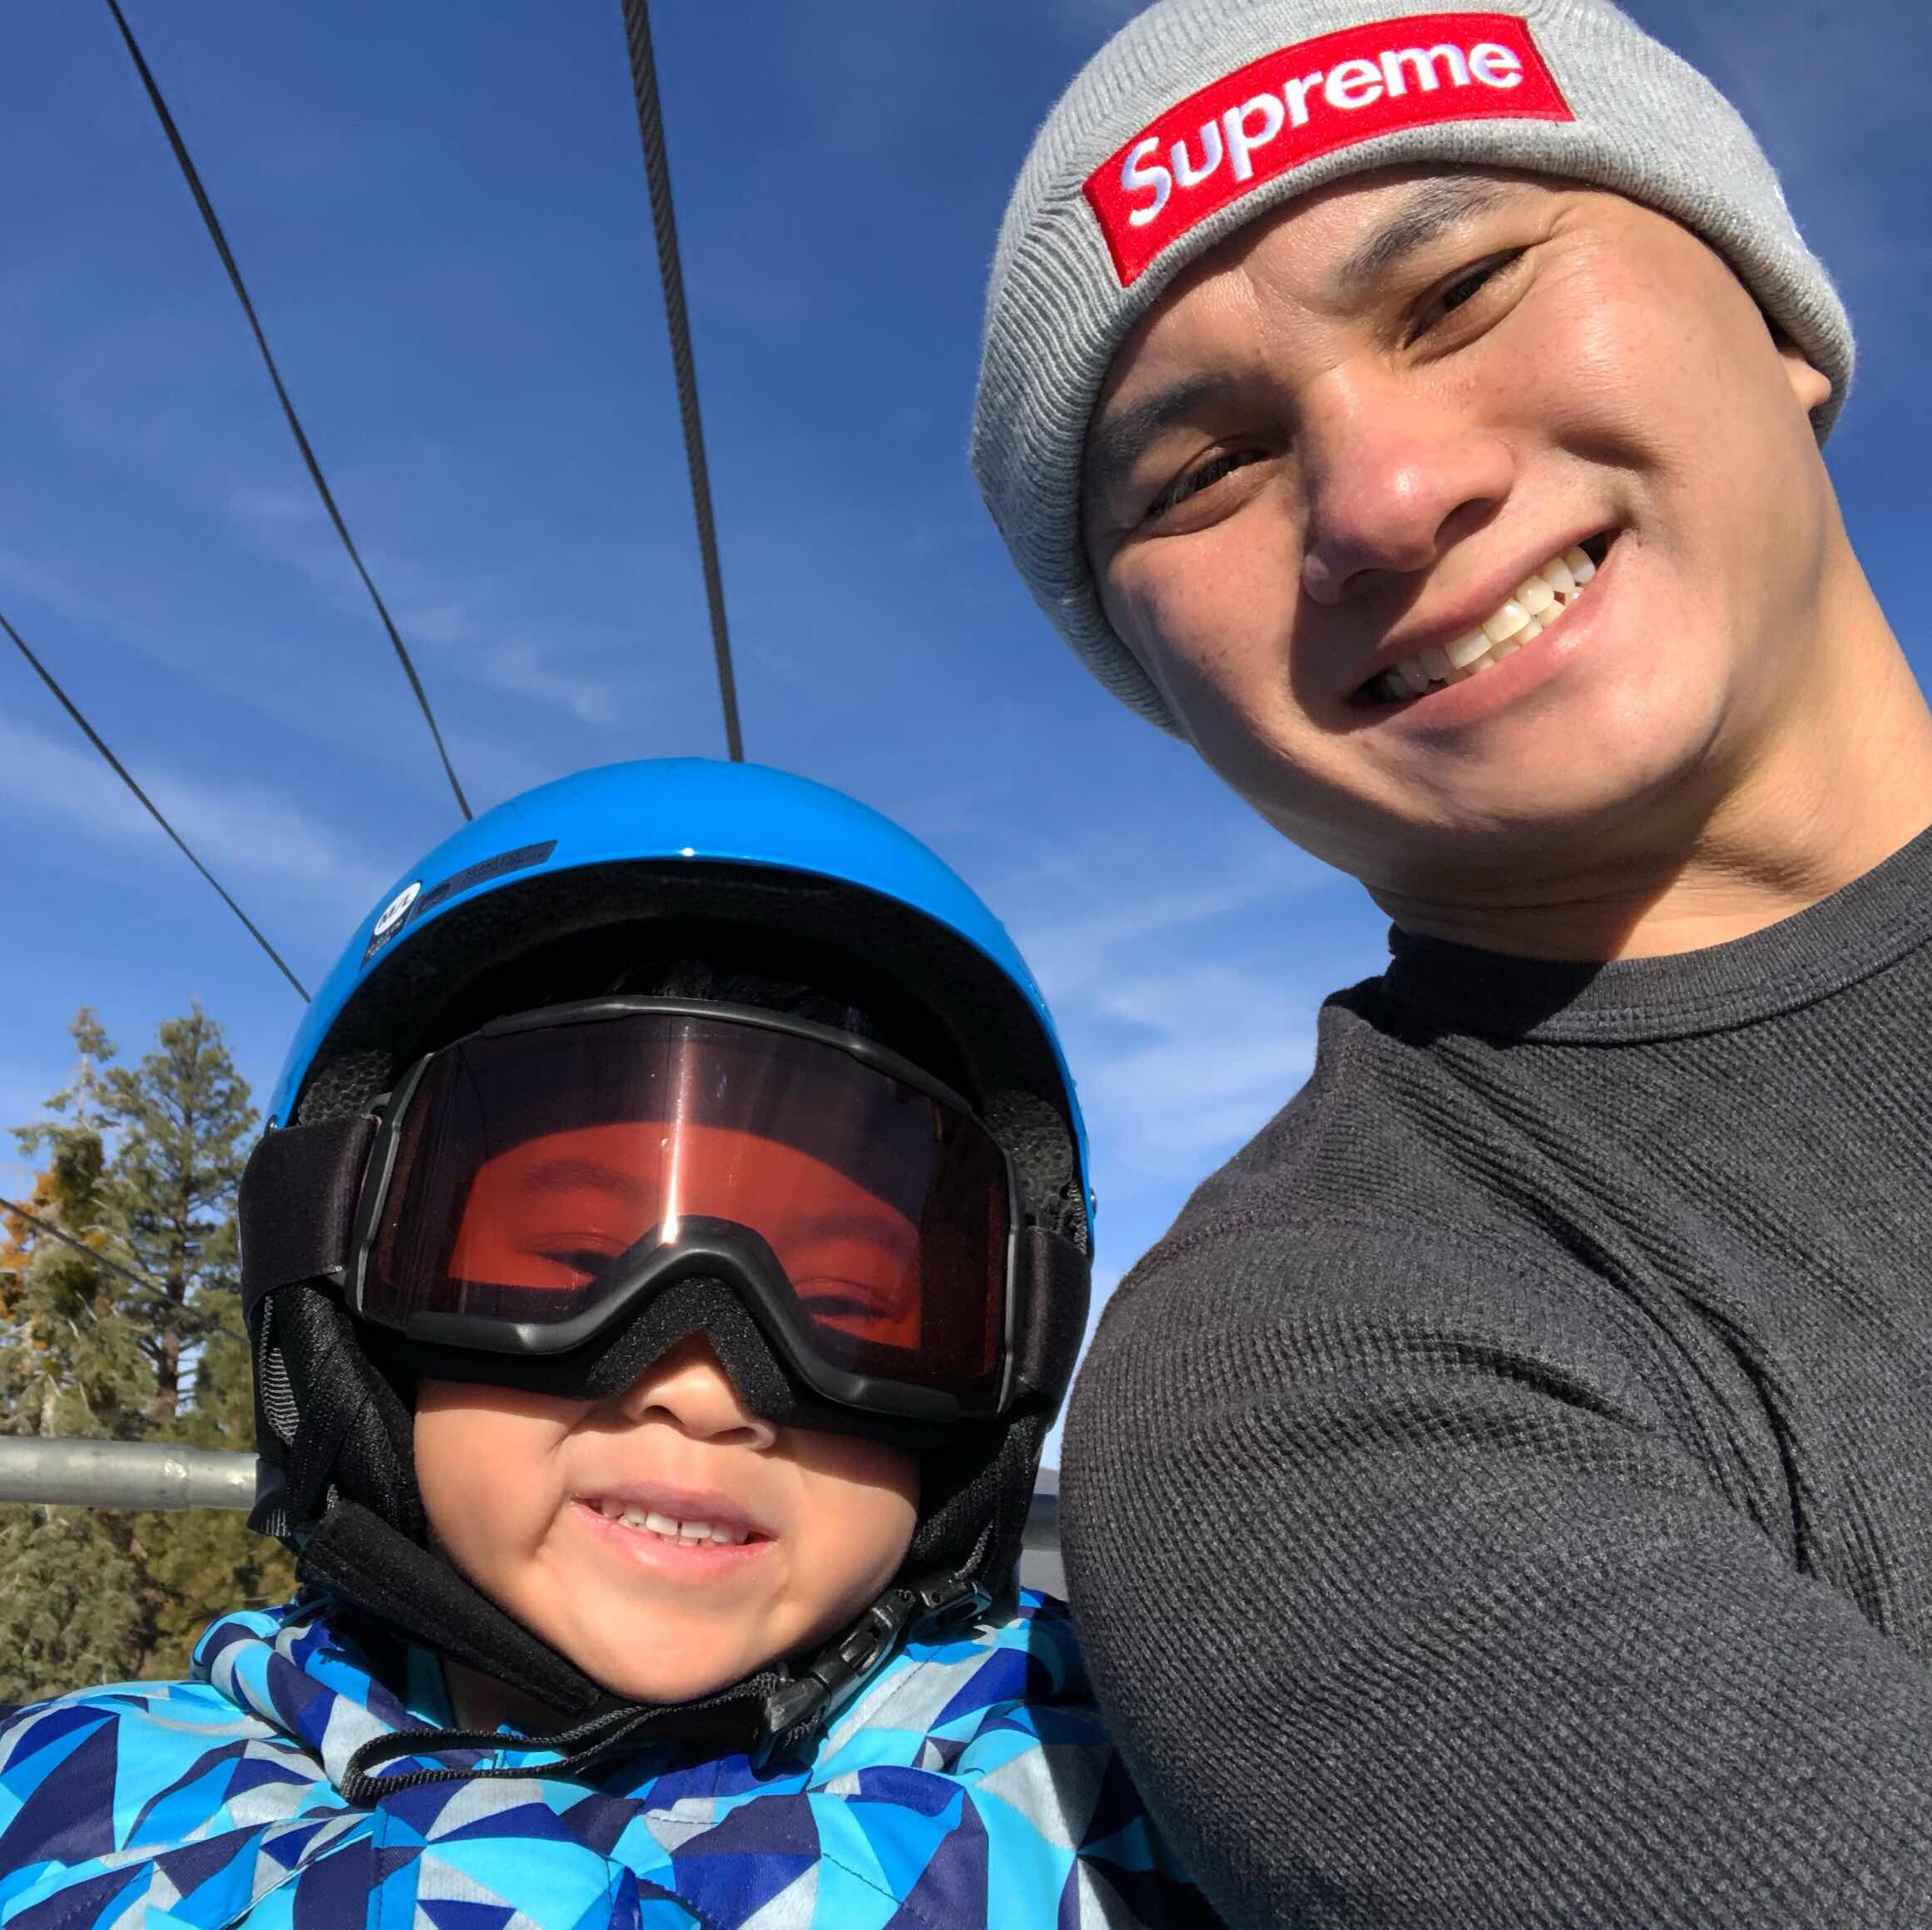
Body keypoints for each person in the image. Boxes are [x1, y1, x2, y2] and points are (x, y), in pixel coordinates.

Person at [970, 0, 1932, 1923]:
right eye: (1202, 471)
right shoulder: (1311, 1367)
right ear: (1158, 680)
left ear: (1779, 313)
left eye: (1465, 287)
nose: (1385, 496)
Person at [0, 759, 1206, 1928]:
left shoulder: (1145, 1791)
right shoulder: (79, 1804)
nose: (703, 1389)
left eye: (850, 1308)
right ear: (344, 1316)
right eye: (571, 1266)